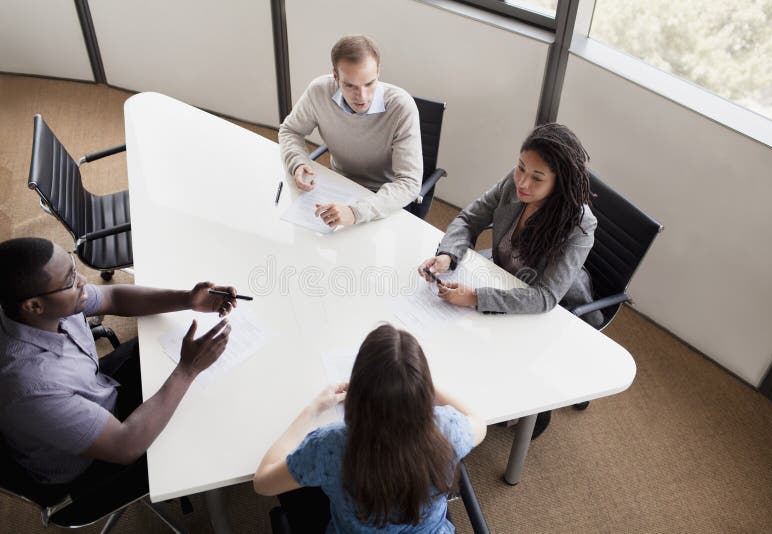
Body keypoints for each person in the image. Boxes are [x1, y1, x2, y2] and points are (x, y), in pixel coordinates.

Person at [0, 237, 236, 491]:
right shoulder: (31, 389)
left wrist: (188, 299)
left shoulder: (46, 306)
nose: (82, 282)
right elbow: (126, 446)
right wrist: (188, 369)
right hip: (91, 462)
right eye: (70, 280)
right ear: (34, 306)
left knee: (169, 355)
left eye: (72, 265)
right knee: (206, 420)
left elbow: (112, 297)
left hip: (95, 387)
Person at [418, 123, 601, 439]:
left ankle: (535, 408)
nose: (523, 181)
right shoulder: (514, 183)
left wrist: (476, 297)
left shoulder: (579, 224)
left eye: (537, 178)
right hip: (503, 277)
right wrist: (448, 255)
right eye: (521, 168)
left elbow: (545, 297)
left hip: (556, 309)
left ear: (560, 184)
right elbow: (468, 219)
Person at [253, 324, 486, 533]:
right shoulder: (447, 430)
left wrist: (311, 410)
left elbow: (262, 482)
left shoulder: (330, 446)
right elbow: (479, 422)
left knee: (293, 490)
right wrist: (414, 385)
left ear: (358, 391)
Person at [279, 34, 423, 228]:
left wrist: (356, 212)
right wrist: (297, 162)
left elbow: (409, 182)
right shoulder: (319, 91)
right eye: (350, 85)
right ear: (336, 77)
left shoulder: (402, 107)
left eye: (369, 83)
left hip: (382, 198)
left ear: (378, 72)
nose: (361, 96)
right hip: (337, 184)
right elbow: (290, 130)